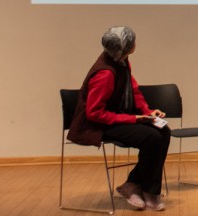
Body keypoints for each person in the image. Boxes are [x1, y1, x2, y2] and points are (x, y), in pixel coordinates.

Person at [67, 26, 171, 211]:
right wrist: (134, 119)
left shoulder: (121, 61)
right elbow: (94, 113)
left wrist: (147, 112)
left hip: (116, 117)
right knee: (151, 137)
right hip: (99, 125)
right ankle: (144, 189)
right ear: (126, 48)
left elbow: (133, 88)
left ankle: (135, 185)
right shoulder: (105, 73)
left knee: (163, 130)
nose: (136, 44)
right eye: (133, 42)